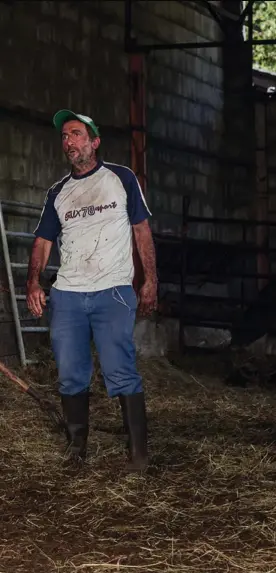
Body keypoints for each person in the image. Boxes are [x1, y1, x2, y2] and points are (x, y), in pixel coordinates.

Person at [26, 109, 158, 472]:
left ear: (94, 141)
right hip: (68, 294)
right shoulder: (58, 192)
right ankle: (76, 449)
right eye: (65, 136)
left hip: (112, 290)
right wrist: (33, 281)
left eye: (76, 134)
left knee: (120, 368)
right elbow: (42, 242)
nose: (69, 141)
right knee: (70, 371)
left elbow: (141, 231)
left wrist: (150, 280)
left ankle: (139, 456)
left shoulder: (121, 179)